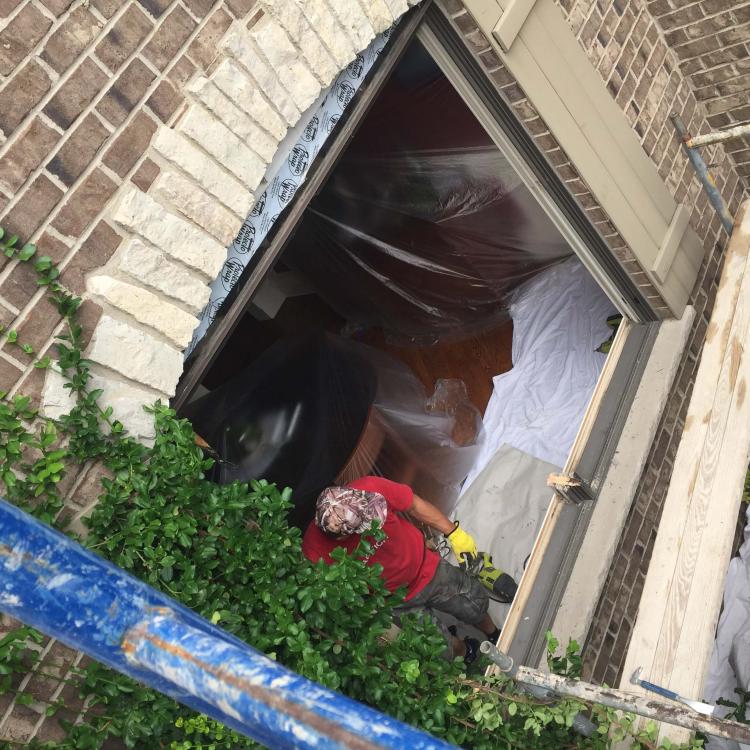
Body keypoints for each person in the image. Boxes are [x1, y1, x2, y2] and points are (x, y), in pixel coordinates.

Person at [302, 475, 515, 664]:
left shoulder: (370, 488)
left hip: (428, 567)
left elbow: (414, 504)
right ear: (341, 536)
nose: (375, 521)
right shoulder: (316, 551)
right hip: (395, 601)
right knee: (440, 647)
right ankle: (466, 649)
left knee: (473, 603)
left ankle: (493, 632)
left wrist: (453, 533)